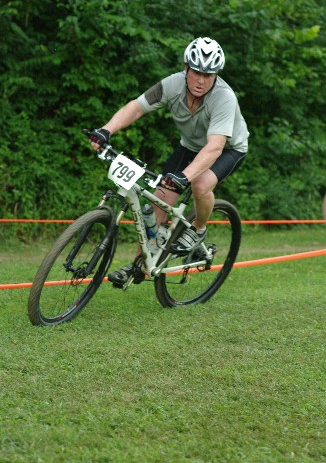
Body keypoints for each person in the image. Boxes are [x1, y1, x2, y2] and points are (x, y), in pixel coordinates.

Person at [89, 37, 249, 287]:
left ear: (216, 75)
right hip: (189, 146)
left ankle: (198, 229)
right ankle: (139, 266)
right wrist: (106, 130)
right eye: (196, 72)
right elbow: (137, 107)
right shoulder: (172, 85)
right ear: (186, 68)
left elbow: (215, 146)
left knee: (200, 184)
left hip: (227, 148)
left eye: (208, 75)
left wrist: (185, 176)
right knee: (158, 205)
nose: (201, 80)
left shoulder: (224, 98)